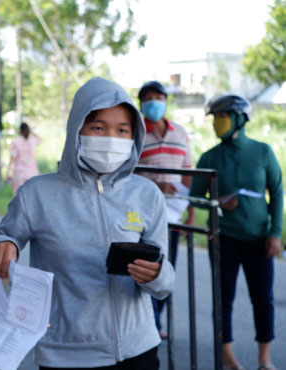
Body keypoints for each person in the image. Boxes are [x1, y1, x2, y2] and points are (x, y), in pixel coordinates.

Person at [0, 77, 174, 369]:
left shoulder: (147, 194)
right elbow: (2, 236)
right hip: (65, 354)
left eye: (123, 130)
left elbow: (166, 282)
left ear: (135, 135)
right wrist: (3, 244)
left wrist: (156, 274)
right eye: (98, 127)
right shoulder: (37, 194)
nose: (111, 138)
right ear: (77, 128)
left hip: (139, 350)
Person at [190, 95, 282, 370]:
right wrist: (218, 203)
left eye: (223, 116)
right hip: (224, 239)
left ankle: (264, 358)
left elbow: (277, 192)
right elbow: (195, 197)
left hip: (259, 239)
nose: (218, 123)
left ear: (240, 118)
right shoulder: (209, 157)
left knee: (263, 299)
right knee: (223, 299)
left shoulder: (263, 151)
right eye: (215, 118)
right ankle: (228, 357)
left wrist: (275, 233)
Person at [136, 80, 195, 339]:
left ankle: (157, 322)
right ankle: (149, 323)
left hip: (174, 212)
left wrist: (191, 207)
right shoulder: (136, 133)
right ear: (141, 104)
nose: (154, 102)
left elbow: (189, 173)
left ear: (165, 101)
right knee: (146, 265)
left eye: (158, 97)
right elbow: (129, 173)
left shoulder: (180, 133)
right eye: (148, 98)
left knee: (167, 268)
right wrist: (157, 183)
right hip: (144, 214)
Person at [6, 122, 40, 195]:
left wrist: (8, 173)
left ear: (20, 131)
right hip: (32, 173)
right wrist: (31, 131)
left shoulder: (16, 142)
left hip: (19, 174)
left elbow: (12, 159)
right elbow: (39, 138)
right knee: (31, 196)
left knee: (18, 196)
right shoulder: (32, 141)